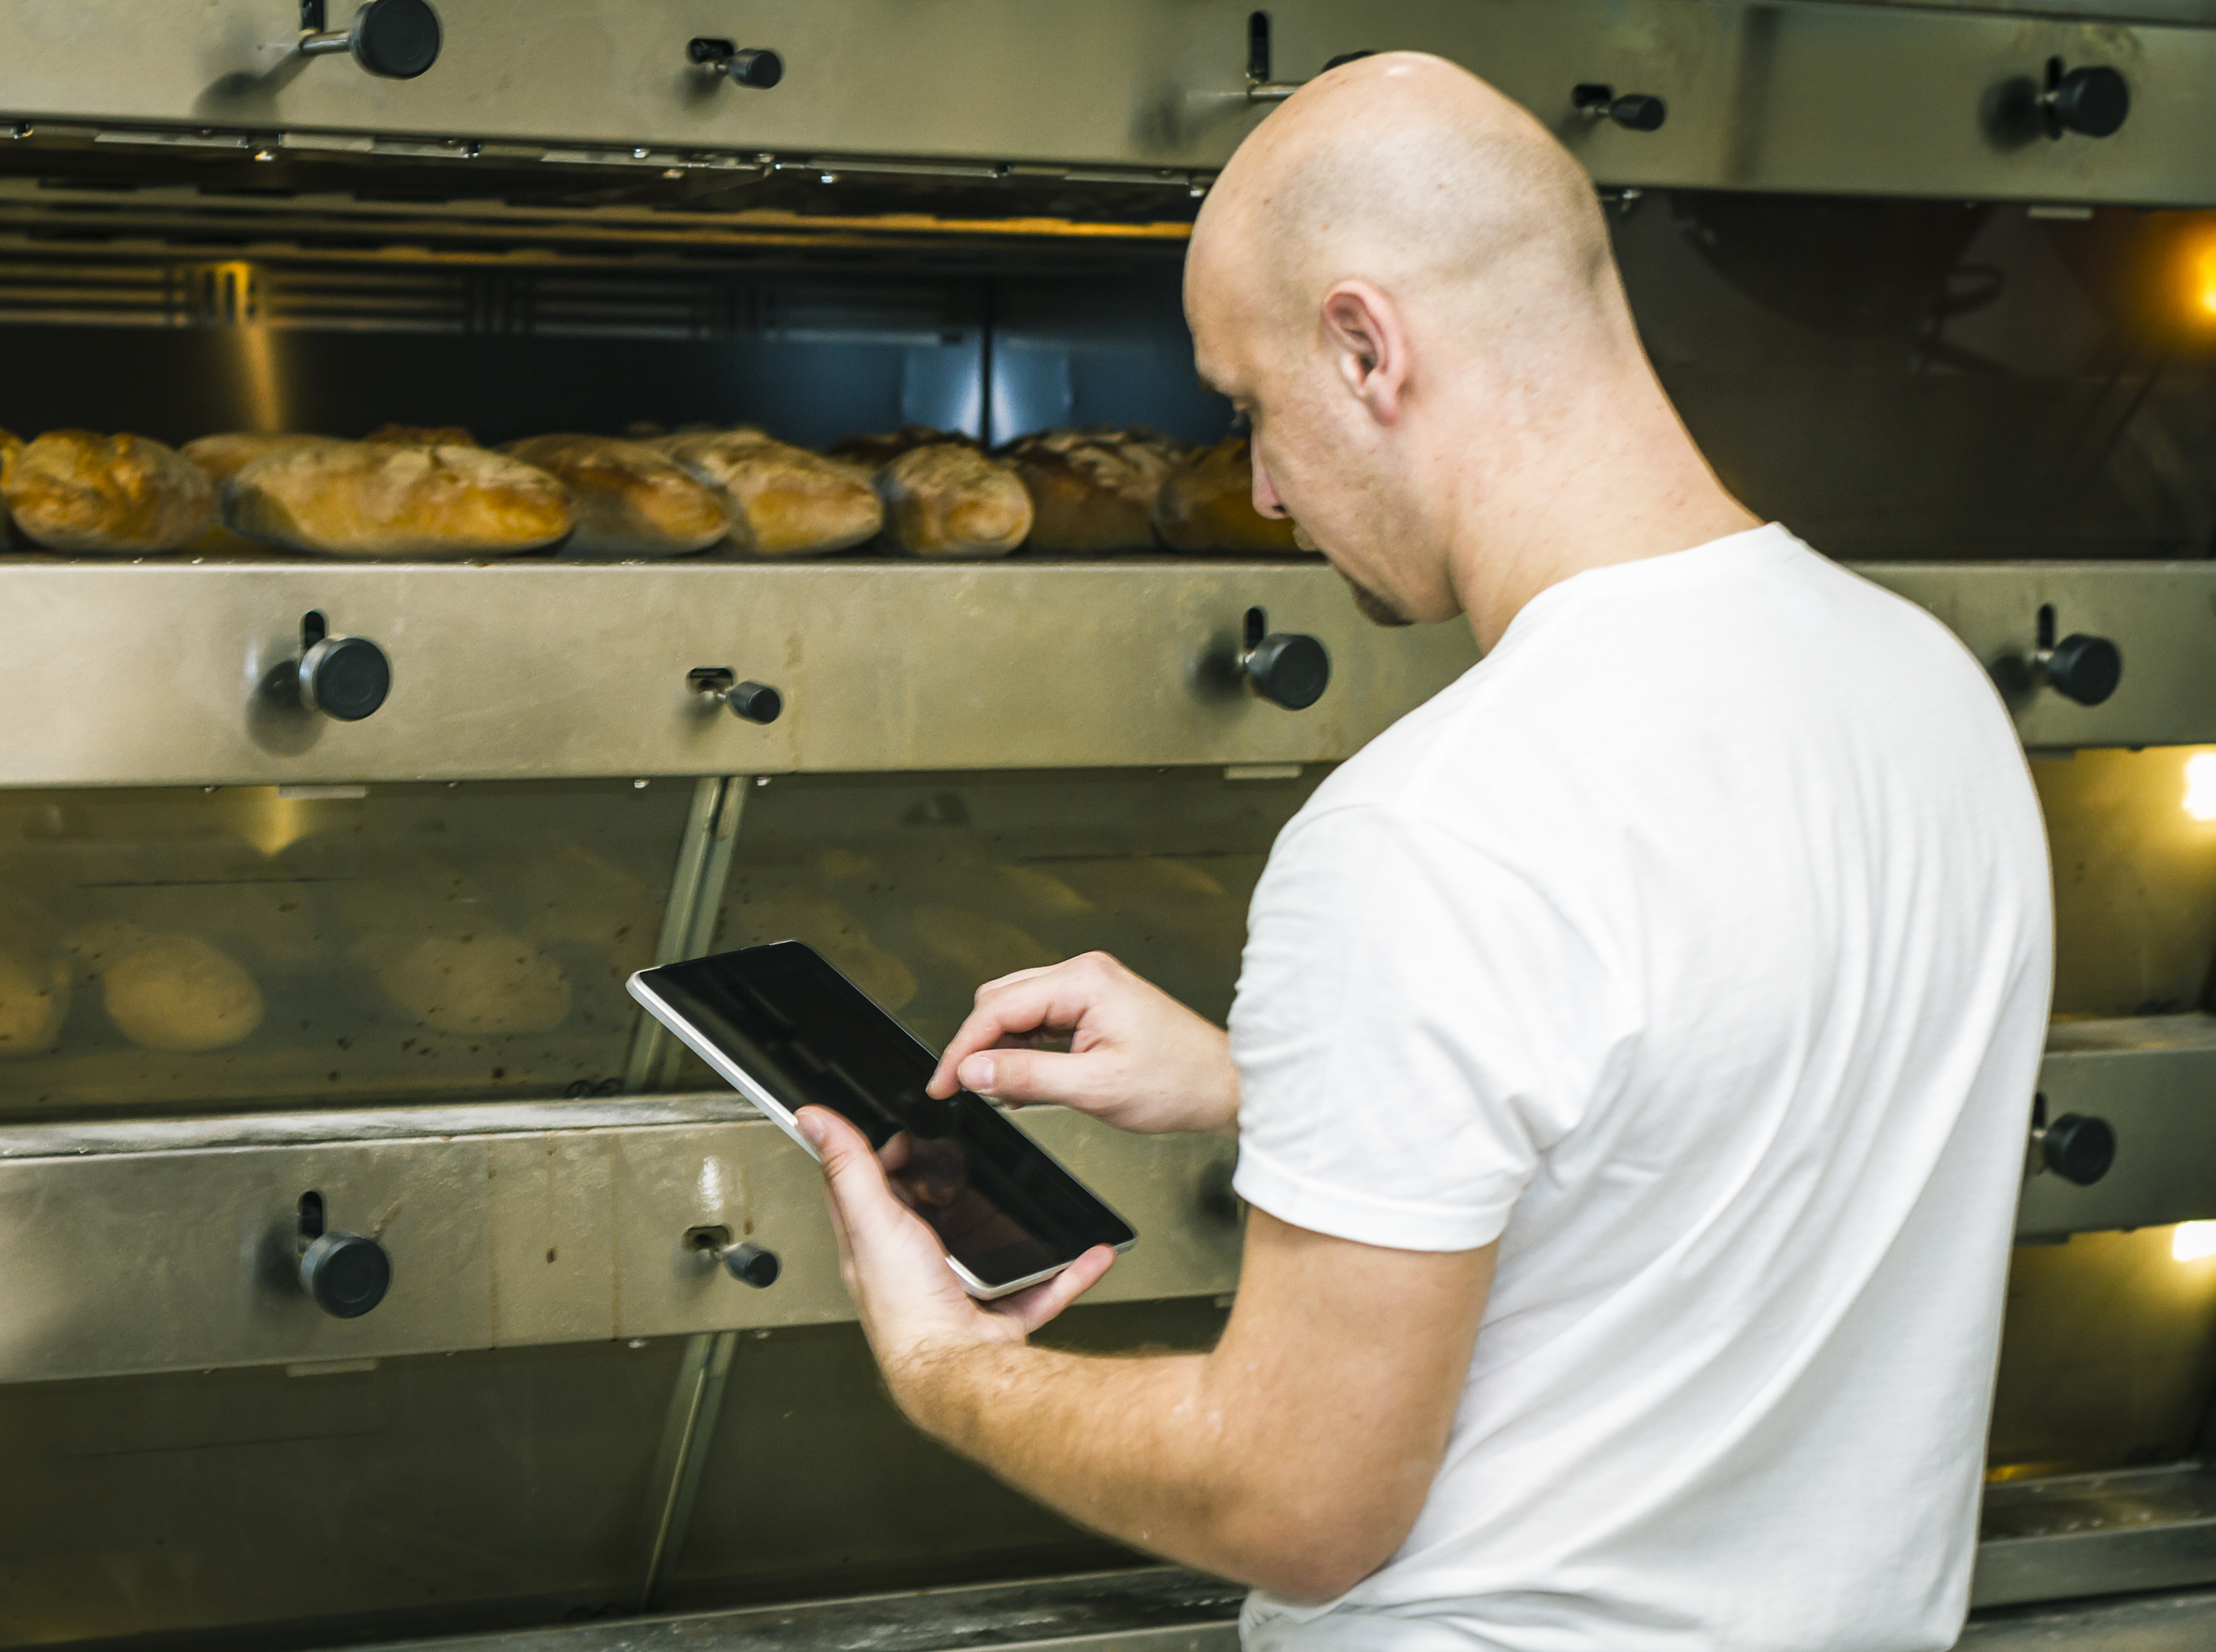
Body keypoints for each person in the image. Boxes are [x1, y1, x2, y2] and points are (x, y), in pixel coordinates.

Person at [792, 51, 2049, 1652]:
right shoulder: (1920, 687)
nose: (1259, 486)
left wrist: (945, 1365)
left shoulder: (1436, 825)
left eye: (1251, 407)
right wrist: (1284, 1084)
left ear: (1366, 346)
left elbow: (1295, 1508)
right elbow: (1703, 1118)